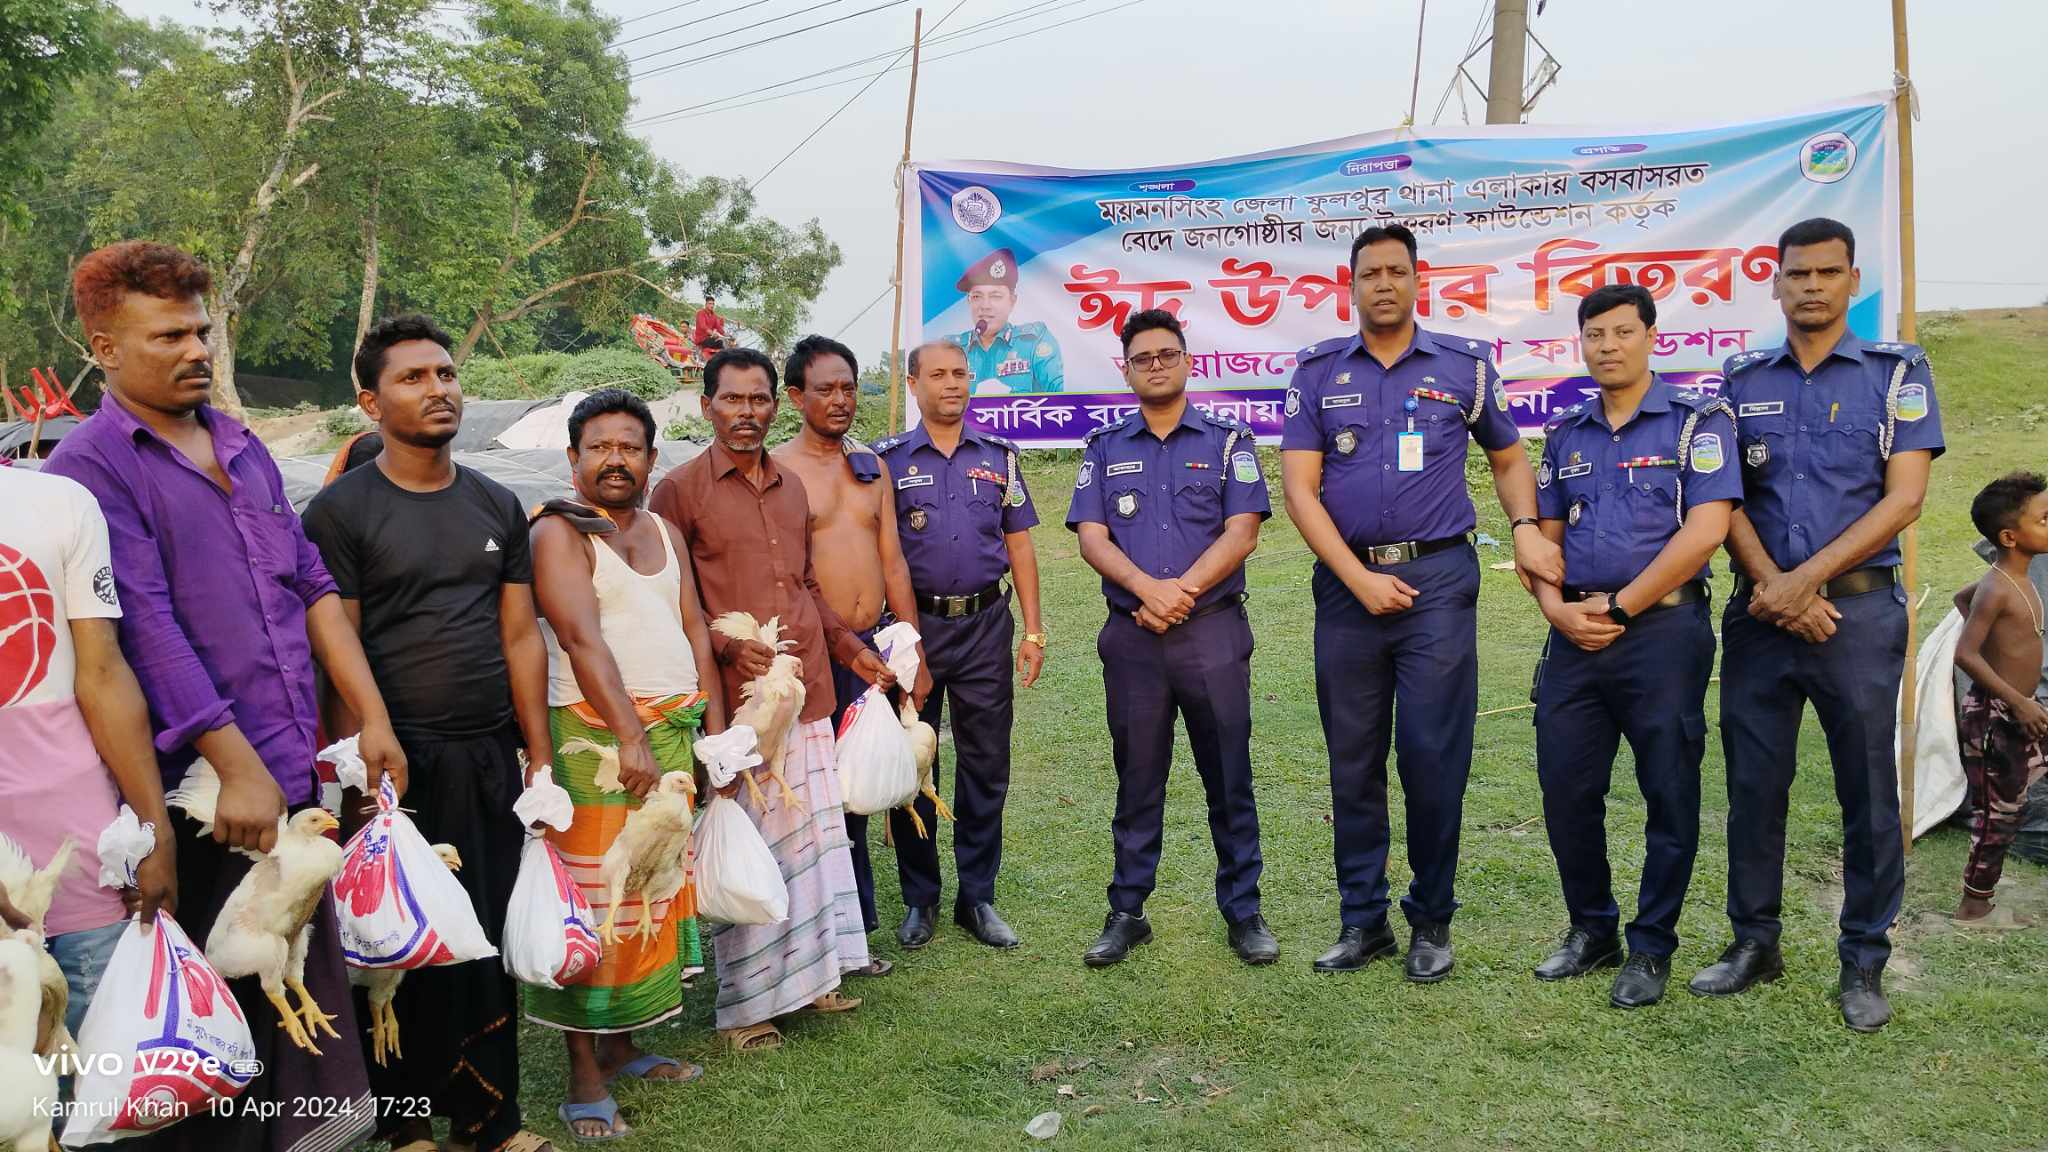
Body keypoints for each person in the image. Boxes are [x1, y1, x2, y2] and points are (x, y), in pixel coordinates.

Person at [45, 239, 402, 1152]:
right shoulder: (89, 469)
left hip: (289, 770)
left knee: (299, 1014)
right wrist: (234, 766)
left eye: (200, 330)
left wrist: (370, 719)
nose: (195, 349)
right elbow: (144, 631)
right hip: (202, 798)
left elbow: (312, 586)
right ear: (104, 347)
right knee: (217, 1033)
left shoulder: (239, 443)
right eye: (167, 335)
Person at [300, 314, 556, 1152]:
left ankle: (494, 1121)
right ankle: (405, 1125)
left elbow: (520, 636)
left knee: (478, 941)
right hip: (393, 767)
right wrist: (355, 775)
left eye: (445, 373)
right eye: (413, 378)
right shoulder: (339, 512)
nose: (438, 388)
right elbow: (338, 648)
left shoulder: (494, 501)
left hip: (488, 755)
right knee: (397, 946)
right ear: (370, 401)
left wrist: (539, 756)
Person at [1280, 223, 1562, 980]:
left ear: (1416, 280)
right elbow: (1300, 492)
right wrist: (1357, 578)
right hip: (1348, 590)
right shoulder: (1315, 374)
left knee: (1433, 756)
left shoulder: (1463, 368)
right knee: (1353, 759)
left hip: (1437, 584)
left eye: (1396, 271)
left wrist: (1527, 527)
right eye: (1369, 272)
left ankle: (1431, 922)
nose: (1383, 283)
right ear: (1351, 285)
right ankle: (1361, 920)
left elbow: (1508, 456)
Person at [1692, 217, 1943, 1033]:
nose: (1810, 286)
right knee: (1754, 786)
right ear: (1775, 281)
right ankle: (1753, 943)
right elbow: (1719, 499)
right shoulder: (1739, 378)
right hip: (1761, 614)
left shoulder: (1896, 371)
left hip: (1860, 613)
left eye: (1827, 273)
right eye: (1796, 273)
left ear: (1851, 281)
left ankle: (1864, 960)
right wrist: (1774, 587)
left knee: (1867, 790)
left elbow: (1903, 497)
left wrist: (1805, 582)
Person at [648, 349, 887, 1052]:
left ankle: (814, 979)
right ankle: (749, 1005)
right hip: (740, 705)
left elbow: (807, 587)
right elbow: (674, 600)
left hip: (807, 684)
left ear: (774, 406)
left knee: (814, 836)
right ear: (707, 406)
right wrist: (726, 649)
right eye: (732, 400)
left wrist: (850, 649)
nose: (746, 413)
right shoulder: (680, 493)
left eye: (758, 400)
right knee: (756, 843)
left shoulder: (790, 489)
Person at [1527, 285, 1740, 1008]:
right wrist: (1556, 610)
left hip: (1663, 634)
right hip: (1574, 636)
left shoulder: (1696, 423)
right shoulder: (1566, 435)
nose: (1608, 345)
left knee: (1668, 789)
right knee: (1566, 788)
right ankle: (1593, 930)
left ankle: (1652, 947)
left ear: (1653, 337)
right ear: (1580, 344)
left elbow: (1706, 531)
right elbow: (1544, 545)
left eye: (1623, 331)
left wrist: (1619, 608)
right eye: (1595, 334)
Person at [528, 388, 725, 1140]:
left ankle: (625, 1046)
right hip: (597, 746)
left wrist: (713, 738)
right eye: (600, 446)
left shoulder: (665, 530)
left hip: (670, 741)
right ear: (573, 457)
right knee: (598, 903)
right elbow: (579, 638)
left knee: (649, 895)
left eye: (631, 446)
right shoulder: (559, 534)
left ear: (651, 457)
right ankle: (583, 1074)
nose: (616, 459)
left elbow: (696, 633)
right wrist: (629, 736)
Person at [1065, 309, 1274, 969]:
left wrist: (1177, 592)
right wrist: (1147, 590)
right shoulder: (1104, 447)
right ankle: (1128, 911)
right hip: (1133, 640)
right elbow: (1092, 536)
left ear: (1188, 362)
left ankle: (1244, 914)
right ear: (1125, 369)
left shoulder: (1226, 440)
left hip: (1210, 634)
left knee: (1229, 778)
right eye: (1142, 357)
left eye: (1167, 354)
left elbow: (1243, 529)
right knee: (1138, 780)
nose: (1155, 364)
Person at [873, 340, 1047, 951]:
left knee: (984, 765)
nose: (952, 384)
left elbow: (1019, 543)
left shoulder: (999, 457)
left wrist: (1032, 629)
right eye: (938, 375)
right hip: (911, 631)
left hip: (984, 627)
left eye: (960, 374)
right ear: (913, 384)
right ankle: (920, 898)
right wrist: (895, 636)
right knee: (912, 763)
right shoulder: (885, 461)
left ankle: (977, 896)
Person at [772, 334, 931, 973]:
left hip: (878, 646)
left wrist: (911, 646)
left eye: (848, 387)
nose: (840, 400)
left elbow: (892, 557)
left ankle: (856, 931)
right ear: (794, 397)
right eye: (824, 389)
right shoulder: (778, 472)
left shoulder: (871, 466)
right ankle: (827, 938)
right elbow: (790, 576)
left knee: (869, 784)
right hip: (817, 648)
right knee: (824, 793)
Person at [0, 465, 177, 1039]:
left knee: (102, 1095)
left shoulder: (60, 503)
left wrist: (155, 829)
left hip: (79, 865)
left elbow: (102, 674)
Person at [1948, 471, 2048, 927]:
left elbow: (1959, 597)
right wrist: (2017, 699)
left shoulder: (2009, 579)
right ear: (2010, 536)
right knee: (1999, 813)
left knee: (2014, 804)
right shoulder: (2000, 587)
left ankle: (1982, 893)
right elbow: (1964, 654)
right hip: (1996, 717)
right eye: (2044, 520)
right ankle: (1975, 906)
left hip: (2020, 710)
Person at [947, 247, 1065, 395]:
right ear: (968, 301)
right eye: (977, 297)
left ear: (1012, 301)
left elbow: (1063, 394)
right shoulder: (950, 349)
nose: (985, 306)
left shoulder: (1033, 342)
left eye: (995, 296)